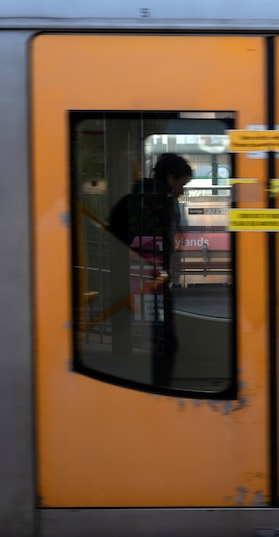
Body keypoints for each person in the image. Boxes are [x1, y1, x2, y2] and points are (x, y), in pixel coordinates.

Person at [108, 153, 193, 388]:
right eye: (181, 184)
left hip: (139, 281)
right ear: (169, 178)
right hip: (150, 284)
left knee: (153, 341)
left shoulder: (135, 200)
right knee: (163, 343)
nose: (181, 191)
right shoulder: (158, 205)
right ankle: (157, 390)